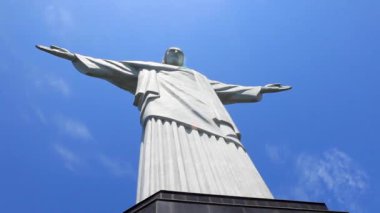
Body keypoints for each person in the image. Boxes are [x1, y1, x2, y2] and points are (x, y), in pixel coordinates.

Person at [36, 45, 291, 202]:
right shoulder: (148, 70)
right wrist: (74, 56)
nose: (176, 53)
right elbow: (112, 68)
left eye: (180, 52)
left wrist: (261, 89)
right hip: (165, 113)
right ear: (164, 57)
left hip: (211, 119)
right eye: (172, 51)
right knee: (168, 152)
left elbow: (227, 89)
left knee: (229, 151)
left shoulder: (199, 78)